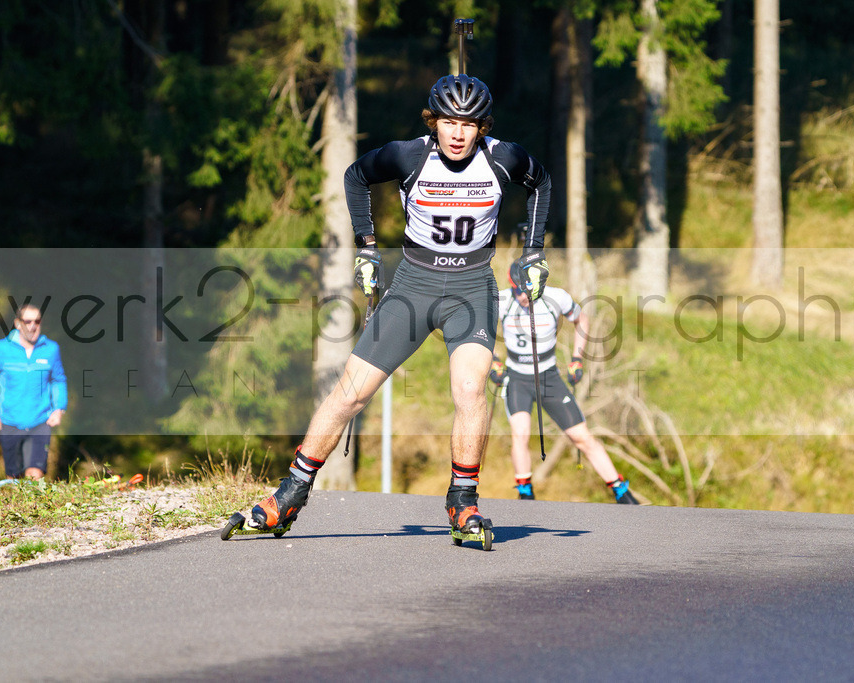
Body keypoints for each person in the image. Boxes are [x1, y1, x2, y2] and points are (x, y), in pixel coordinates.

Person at [248, 74, 552, 538]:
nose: (457, 133)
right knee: (351, 392)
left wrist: (533, 252)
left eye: (468, 124)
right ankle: (288, 495)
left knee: (471, 391)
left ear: (482, 128)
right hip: (413, 287)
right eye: (448, 121)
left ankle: (463, 503)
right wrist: (366, 245)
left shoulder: (504, 157)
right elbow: (355, 177)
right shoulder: (408, 155)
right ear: (433, 121)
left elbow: (542, 182)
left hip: (472, 289)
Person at [491, 261, 639, 504]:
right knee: (520, 433)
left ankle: (620, 489)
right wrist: (493, 363)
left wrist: (576, 359)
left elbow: (582, 320)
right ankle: (525, 491)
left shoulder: (556, 297)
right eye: (516, 290)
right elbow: (478, 332)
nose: (521, 296)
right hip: (517, 377)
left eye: (525, 290)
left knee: (581, 436)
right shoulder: (502, 301)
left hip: (549, 377)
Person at [0, 303, 67, 481]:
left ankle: (36, 508)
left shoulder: (50, 349)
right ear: (18, 323)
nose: (33, 326)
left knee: (35, 475)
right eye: (28, 321)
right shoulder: (1, 349)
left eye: (37, 321)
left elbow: (58, 379)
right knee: (13, 478)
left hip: (40, 420)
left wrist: (59, 407)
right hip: (10, 421)